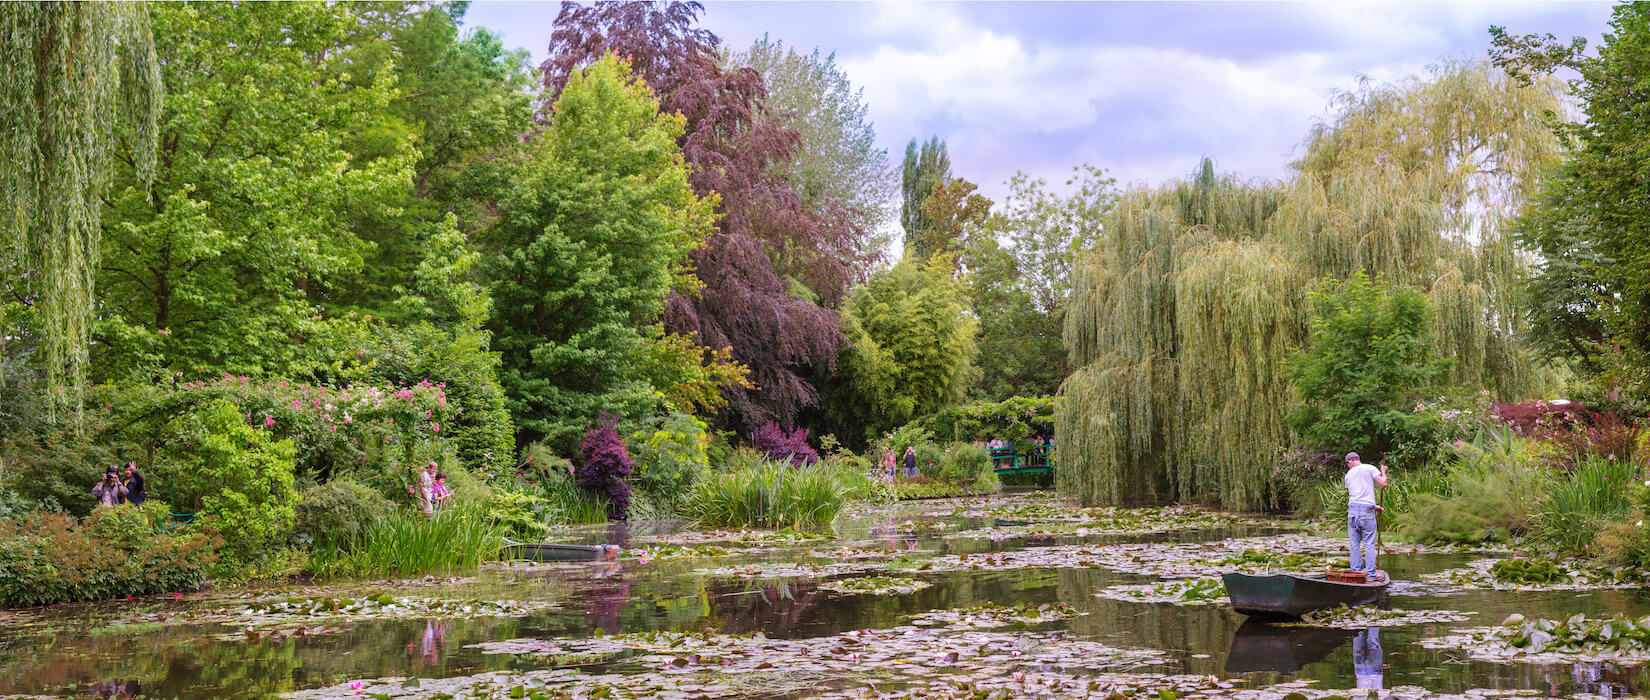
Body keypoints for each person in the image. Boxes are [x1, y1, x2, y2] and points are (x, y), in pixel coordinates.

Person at [1344, 452, 1389, 580]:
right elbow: (1383, 484)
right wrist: (1383, 471)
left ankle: (1356, 574)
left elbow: (1356, 495)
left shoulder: (1349, 475)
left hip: (1352, 511)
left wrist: (1375, 507)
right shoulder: (1370, 468)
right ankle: (1371, 575)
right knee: (1369, 543)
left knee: (1354, 544)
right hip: (1366, 511)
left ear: (1349, 462)